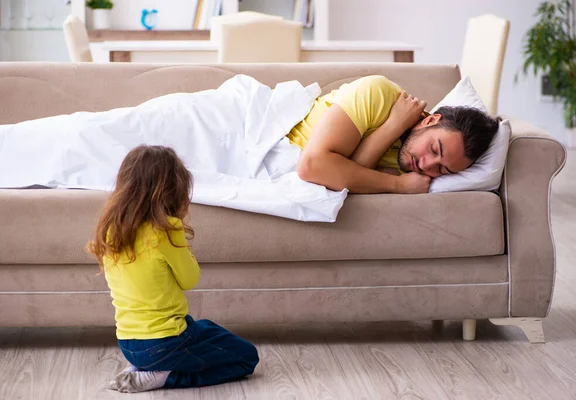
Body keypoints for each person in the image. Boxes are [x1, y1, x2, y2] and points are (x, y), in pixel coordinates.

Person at [88, 145, 259, 393]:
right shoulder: (166, 230)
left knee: (206, 328)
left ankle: (141, 368)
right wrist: (181, 244)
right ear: (172, 190)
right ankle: (164, 377)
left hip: (128, 343)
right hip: (164, 344)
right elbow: (190, 279)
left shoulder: (111, 230)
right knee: (246, 356)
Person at [288, 75, 499, 194]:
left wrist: (393, 128)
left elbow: (344, 177)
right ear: (430, 120)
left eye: (442, 169)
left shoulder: (411, 168)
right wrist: (398, 185)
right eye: (434, 149)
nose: (426, 165)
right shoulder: (379, 94)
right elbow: (312, 166)